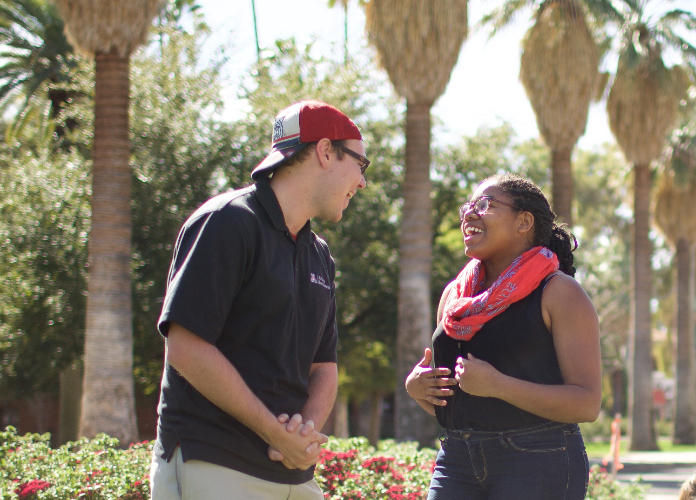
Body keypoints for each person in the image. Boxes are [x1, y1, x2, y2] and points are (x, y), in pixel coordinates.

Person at [149, 100, 369, 499]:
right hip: (215, 462)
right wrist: (275, 434)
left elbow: (324, 366)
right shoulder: (227, 221)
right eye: (360, 164)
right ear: (324, 152)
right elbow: (185, 347)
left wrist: (301, 438)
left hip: (295, 475)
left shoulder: (319, 254)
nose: (363, 182)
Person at [405, 173, 602, 500]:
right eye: (467, 207)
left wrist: (498, 386)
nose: (469, 214)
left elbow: (586, 403)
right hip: (457, 455)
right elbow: (462, 398)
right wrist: (420, 390)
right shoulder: (455, 297)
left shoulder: (558, 292)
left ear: (523, 221)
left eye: (484, 205)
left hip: (537, 456)